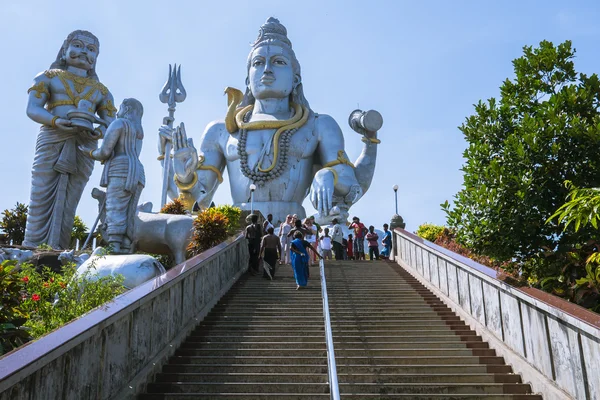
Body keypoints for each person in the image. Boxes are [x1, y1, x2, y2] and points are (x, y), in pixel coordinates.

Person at [158, 18, 382, 225]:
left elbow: (352, 184)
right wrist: (185, 176)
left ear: (295, 78)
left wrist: (329, 174)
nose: (267, 69)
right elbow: (198, 202)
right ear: (248, 79)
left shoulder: (318, 126)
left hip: (295, 227)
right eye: (258, 62)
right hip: (239, 228)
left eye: (278, 62)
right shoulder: (221, 131)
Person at [23, 30, 116, 249]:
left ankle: (59, 249)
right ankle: (32, 247)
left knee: (69, 202)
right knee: (41, 194)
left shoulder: (101, 91)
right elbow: (33, 108)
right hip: (52, 139)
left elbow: (112, 123)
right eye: (78, 45)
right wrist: (55, 121)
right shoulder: (48, 77)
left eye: (91, 50)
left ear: (95, 59)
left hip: (83, 147)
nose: (84, 52)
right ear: (65, 50)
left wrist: (100, 132)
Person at [88, 99, 144, 253]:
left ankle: (114, 246)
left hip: (120, 168)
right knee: (130, 211)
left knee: (115, 207)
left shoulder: (119, 123)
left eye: (120, 108)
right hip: (138, 172)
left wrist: (89, 152)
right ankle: (126, 246)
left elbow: (105, 152)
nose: (118, 112)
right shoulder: (139, 131)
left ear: (126, 108)